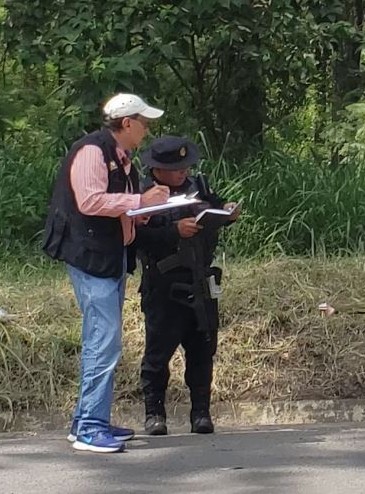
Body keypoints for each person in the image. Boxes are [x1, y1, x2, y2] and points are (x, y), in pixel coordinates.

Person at [42, 93, 169, 453]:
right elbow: (91, 201)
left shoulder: (123, 159)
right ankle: (90, 429)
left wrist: (143, 211)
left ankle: (87, 419)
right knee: (104, 341)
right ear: (127, 123)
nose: (147, 130)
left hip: (110, 257)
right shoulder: (92, 152)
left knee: (103, 339)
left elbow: (116, 206)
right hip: (91, 258)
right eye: (144, 123)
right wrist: (139, 202)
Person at [136, 135, 238, 436]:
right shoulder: (145, 196)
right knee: (158, 353)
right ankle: (155, 413)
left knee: (202, 350)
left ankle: (201, 413)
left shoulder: (198, 188)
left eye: (186, 166)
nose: (183, 172)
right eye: (176, 167)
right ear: (157, 169)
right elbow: (136, 237)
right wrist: (173, 231)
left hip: (201, 279)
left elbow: (216, 211)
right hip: (164, 285)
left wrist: (228, 213)